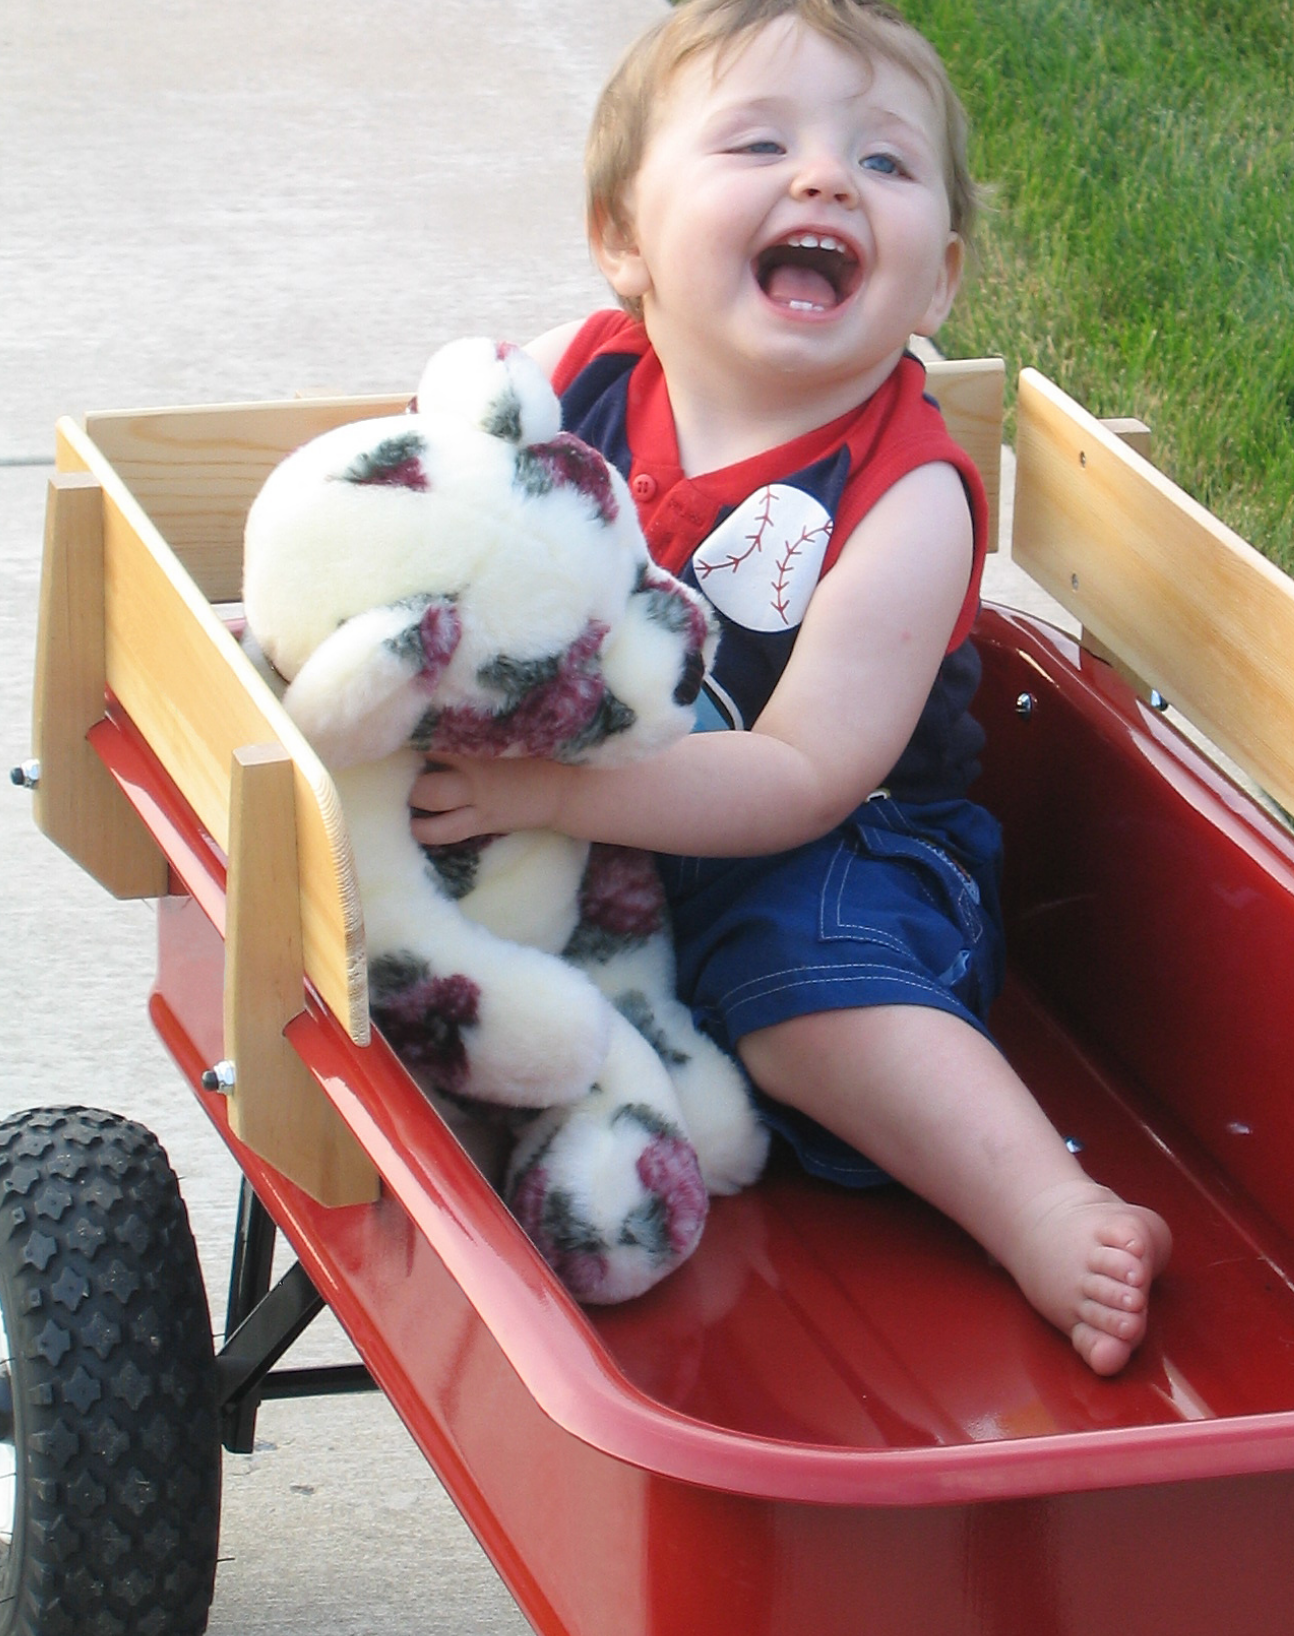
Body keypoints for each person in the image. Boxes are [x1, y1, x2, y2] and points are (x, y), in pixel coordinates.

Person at [409, 0, 1170, 1375]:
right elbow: (435, 519)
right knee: (425, 876)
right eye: (759, 142)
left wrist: (546, 788)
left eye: (882, 164)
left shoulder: (905, 495)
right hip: (580, 819)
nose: (824, 178)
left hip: (829, 844)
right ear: (623, 238)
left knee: (813, 996)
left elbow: (806, 772)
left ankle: (1042, 1202)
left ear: (934, 284)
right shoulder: (578, 374)